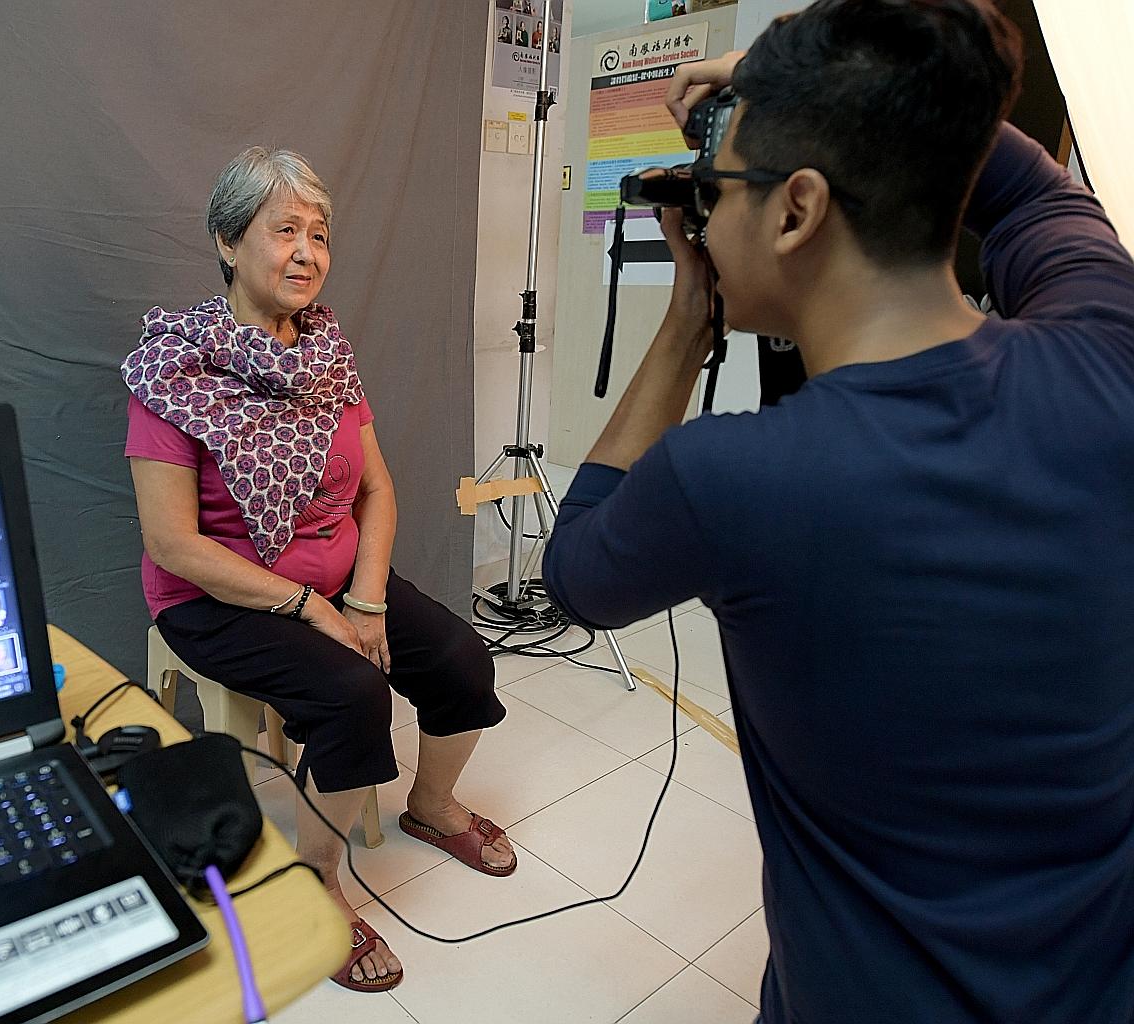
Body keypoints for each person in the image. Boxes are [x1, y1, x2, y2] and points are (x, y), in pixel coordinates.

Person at [542, 3, 1134, 1021]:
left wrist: (688, 320)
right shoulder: (1108, 352)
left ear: (795, 210)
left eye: (718, 188)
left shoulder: (730, 481)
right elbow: (1035, 192)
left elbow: (576, 572)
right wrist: (835, 96)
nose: (709, 217)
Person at [122, 146, 513, 994]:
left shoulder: (326, 352)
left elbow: (375, 488)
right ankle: (319, 880)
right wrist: (309, 606)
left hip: (337, 582)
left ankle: (432, 806)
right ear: (229, 243)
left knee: (462, 660)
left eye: (320, 234)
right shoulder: (172, 371)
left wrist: (366, 598)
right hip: (216, 596)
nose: (307, 252)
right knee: (350, 697)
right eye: (284, 230)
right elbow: (174, 546)